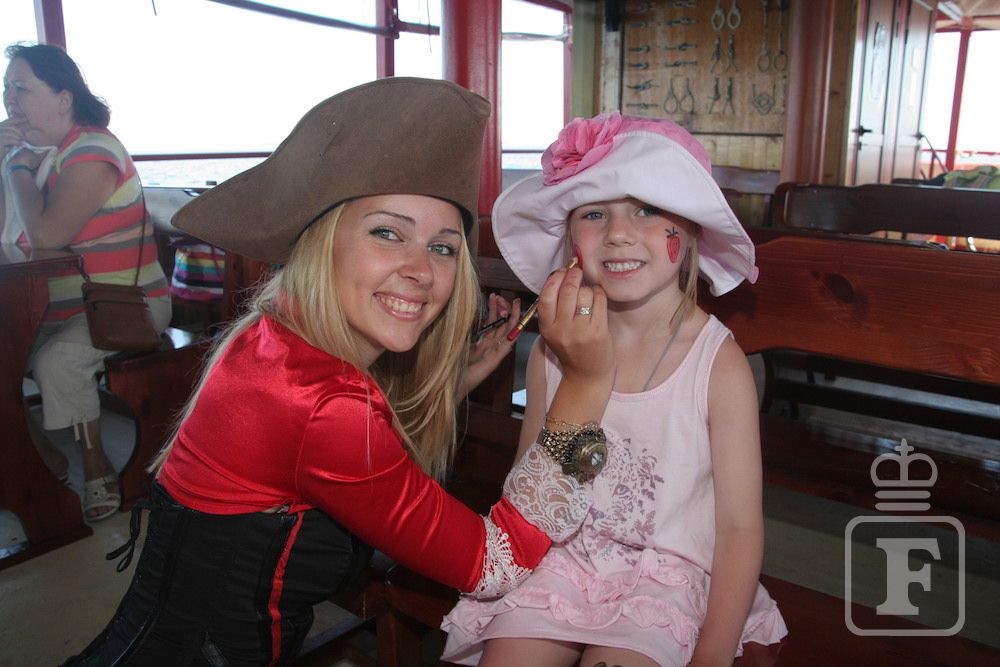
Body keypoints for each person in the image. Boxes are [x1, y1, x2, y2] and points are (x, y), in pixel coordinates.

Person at [63, 77, 620, 666]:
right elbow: (494, 564)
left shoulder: (270, 337)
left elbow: (341, 449)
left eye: (442, 247)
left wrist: (457, 379)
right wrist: (584, 386)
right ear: (322, 242)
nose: (421, 270)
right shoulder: (325, 406)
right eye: (387, 233)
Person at [442, 113, 789, 667]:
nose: (619, 233)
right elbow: (532, 486)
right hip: (563, 560)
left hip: (667, 577)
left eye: (648, 209)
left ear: (690, 230)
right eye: (594, 213)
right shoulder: (553, 350)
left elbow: (740, 527)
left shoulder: (717, 366)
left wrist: (714, 651)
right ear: (569, 239)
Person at [1, 43, 171, 521]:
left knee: (56, 361)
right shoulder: (49, 156)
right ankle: (41, 458)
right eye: (6, 88)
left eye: (22, 87)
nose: (10, 99)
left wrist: (15, 165)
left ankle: (96, 466)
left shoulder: (93, 151)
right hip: (63, 305)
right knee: (3, 354)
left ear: (63, 98)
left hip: (127, 304)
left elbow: (46, 235)